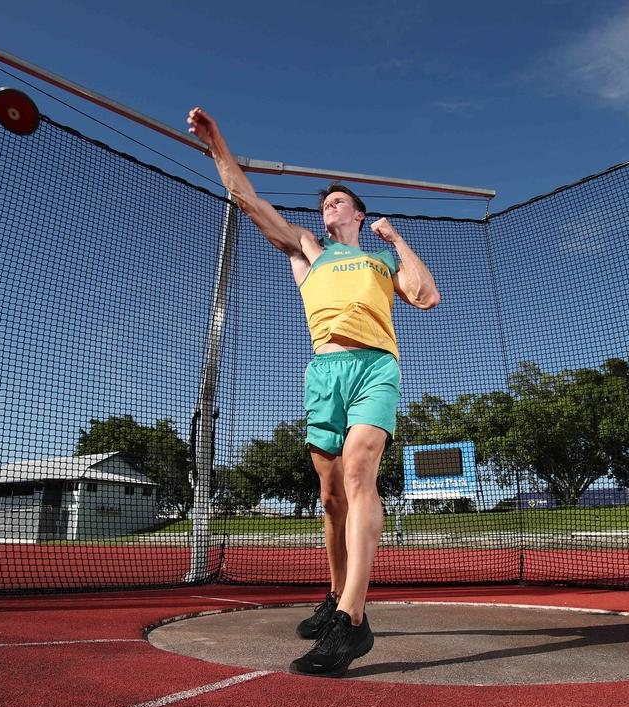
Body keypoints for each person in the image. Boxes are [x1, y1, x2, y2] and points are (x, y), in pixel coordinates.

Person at [187, 107, 441, 677]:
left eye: (337, 201)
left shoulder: (379, 261)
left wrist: (395, 237)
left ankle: (353, 622)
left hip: (374, 367)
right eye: (324, 203)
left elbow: (426, 297)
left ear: (359, 212)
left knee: (359, 474)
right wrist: (217, 145)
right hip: (323, 373)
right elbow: (249, 202)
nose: (327, 206)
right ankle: (334, 597)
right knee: (330, 499)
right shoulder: (309, 251)